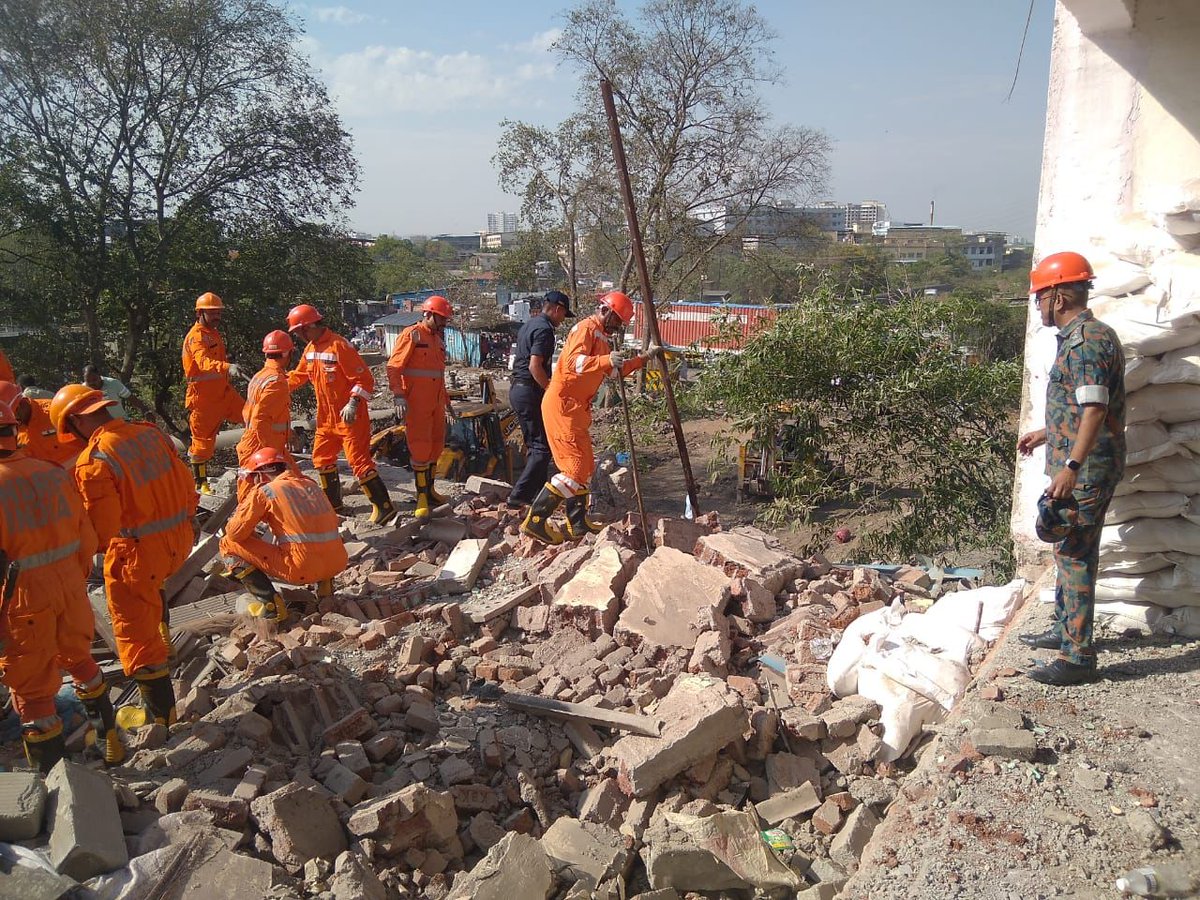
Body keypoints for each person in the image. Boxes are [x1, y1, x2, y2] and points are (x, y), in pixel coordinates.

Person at [51, 384, 197, 725]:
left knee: (135, 635)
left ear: (75, 422)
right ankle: (164, 636)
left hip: (138, 555)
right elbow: (185, 481)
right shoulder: (150, 434)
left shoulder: (96, 460)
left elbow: (102, 531)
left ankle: (161, 717)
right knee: (151, 591)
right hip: (178, 539)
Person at [1017, 251, 1126, 686]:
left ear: (1058, 295)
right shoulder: (1087, 337)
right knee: (1068, 550)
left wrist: (1072, 466)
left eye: (1039, 298)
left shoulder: (1086, 342)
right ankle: (1065, 628)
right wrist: (1047, 433)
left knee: (1075, 553)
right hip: (1080, 460)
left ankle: (1077, 656)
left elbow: (1097, 408)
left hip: (1087, 468)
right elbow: (1084, 406)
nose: (1038, 306)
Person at [0, 399, 123, 772]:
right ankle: (110, 738)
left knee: (34, 694)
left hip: (23, 599)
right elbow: (85, 536)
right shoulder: (50, 472)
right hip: (70, 585)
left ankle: (55, 787)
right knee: (80, 660)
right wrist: (72, 576)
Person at [523, 291, 659, 544]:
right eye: (617, 320)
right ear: (605, 311)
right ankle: (536, 521)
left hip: (576, 410)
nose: (618, 326)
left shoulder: (602, 339)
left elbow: (615, 372)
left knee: (584, 467)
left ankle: (577, 523)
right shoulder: (585, 328)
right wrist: (606, 359)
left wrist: (644, 358)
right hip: (562, 406)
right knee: (573, 469)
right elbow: (573, 362)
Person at [286, 303, 394, 523]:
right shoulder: (311, 349)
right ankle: (334, 506)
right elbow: (297, 377)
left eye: (299, 332)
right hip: (326, 418)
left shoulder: (339, 346)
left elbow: (364, 379)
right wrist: (274, 383)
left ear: (310, 326)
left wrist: (353, 403)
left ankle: (385, 509)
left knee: (359, 461)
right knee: (322, 458)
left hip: (350, 417)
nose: (298, 337)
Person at [219, 448, 348, 621]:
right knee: (316, 541)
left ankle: (271, 606)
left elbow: (234, 533)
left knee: (227, 543)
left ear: (262, 474)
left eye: (254, 478)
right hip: (337, 563)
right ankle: (325, 590)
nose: (253, 482)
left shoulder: (266, 491)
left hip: (302, 568)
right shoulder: (311, 485)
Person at [386, 295, 455, 519]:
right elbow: (394, 367)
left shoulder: (437, 340)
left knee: (436, 447)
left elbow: (438, 375)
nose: (444, 323)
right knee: (420, 448)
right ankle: (422, 497)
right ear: (429, 314)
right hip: (417, 402)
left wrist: (447, 403)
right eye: (441, 318)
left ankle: (431, 491)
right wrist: (398, 395)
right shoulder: (412, 335)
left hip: (435, 402)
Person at [507, 290, 573, 508]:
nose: (563, 320)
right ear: (556, 309)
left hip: (520, 389)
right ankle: (519, 496)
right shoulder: (545, 330)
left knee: (536, 447)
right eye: (563, 315)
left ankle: (537, 493)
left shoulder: (529, 324)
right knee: (541, 448)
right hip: (529, 390)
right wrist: (550, 390)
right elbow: (535, 366)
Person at [182, 292, 245, 493]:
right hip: (204, 399)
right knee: (202, 444)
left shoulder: (212, 333)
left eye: (218, 312)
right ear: (200, 313)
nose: (217, 316)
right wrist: (227, 367)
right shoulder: (196, 337)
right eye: (213, 313)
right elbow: (203, 363)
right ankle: (200, 483)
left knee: (252, 415)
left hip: (224, 393)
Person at [236, 330, 296, 501]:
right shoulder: (276, 381)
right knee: (250, 499)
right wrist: (270, 454)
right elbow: (259, 419)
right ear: (287, 353)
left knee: (295, 483)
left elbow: (251, 413)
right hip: (261, 446)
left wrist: (287, 434)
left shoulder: (261, 376)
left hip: (260, 442)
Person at [0, 380, 84, 466]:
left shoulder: (55, 412)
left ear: (21, 403)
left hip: (84, 475)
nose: (12, 422)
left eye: (12, 415)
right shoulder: (11, 432)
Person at [83, 364, 156, 422]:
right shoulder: (82, 390)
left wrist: (146, 411)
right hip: (102, 430)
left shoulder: (113, 383)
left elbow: (130, 397)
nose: (92, 383)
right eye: (88, 381)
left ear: (99, 376)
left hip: (122, 423)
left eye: (94, 379)